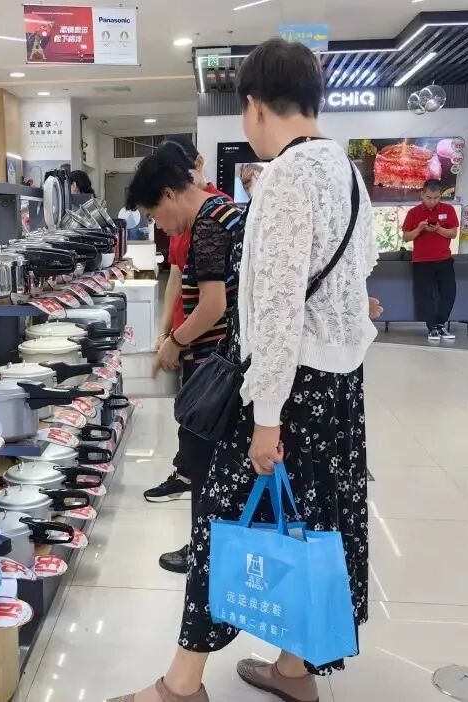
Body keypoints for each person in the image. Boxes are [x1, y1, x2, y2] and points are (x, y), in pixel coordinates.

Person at [111, 38, 375, 702]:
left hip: (288, 389)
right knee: (317, 524)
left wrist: (266, 420)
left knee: (221, 523)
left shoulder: (285, 178)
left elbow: (278, 309)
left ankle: (182, 686)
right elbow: (358, 277)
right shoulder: (347, 171)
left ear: (254, 105)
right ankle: (294, 670)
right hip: (340, 387)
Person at [142, 137, 232, 574]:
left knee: (207, 461)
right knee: (210, 460)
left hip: (216, 363)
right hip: (219, 359)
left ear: (169, 194)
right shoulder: (223, 215)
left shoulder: (210, 221)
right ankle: (209, 547)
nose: (161, 227)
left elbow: (214, 306)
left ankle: (206, 553)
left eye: (154, 215)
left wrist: (175, 342)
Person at [403, 179, 459, 342]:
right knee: (425, 295)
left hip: (444, 259)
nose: (432, 201)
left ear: (440, 196)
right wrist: (419, 229)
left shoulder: (448, 210)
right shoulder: (413, 213)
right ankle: (432, 327)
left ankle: (441, 324)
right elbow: (407, 237)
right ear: (422, 194)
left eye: (436, 198)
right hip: (422, 261)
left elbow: (453, 233)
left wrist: (438, 229)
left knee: (449, 292)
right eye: (428, 197)